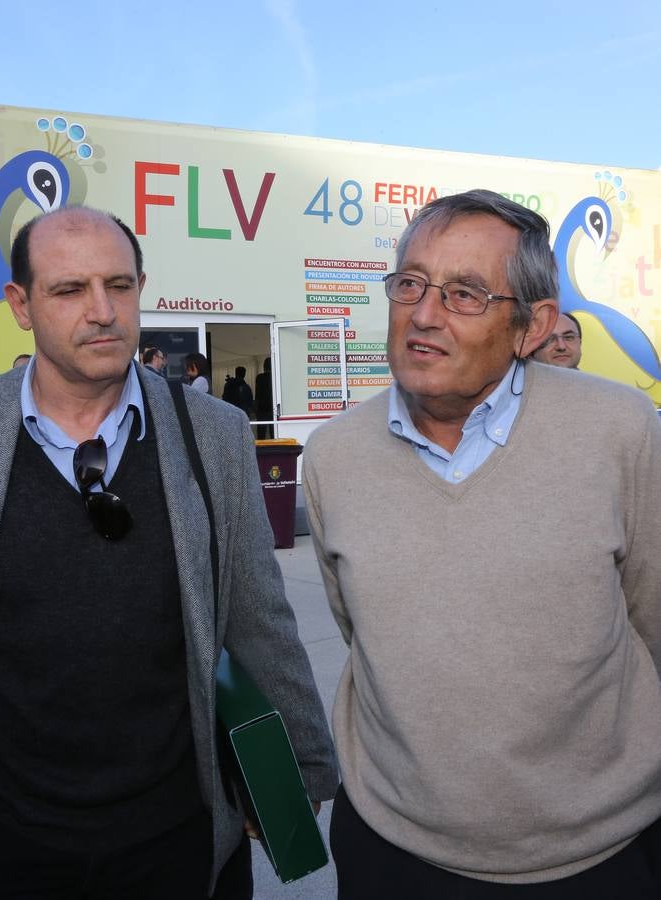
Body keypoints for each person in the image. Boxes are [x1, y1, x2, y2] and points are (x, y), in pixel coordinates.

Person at [0, 206, 338, 900]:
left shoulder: (213, 433)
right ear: (22, 305)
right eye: (69, 290)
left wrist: (302, 765)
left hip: (179, 844)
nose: (102, 311)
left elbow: (257, 616)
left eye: (119, 286)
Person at [303, 189, 661, 899]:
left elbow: (653, 618)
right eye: (410, 283)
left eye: (465, 293)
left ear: (534, 326)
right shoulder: (332, 457)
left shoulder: (621, 430)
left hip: (602, 859)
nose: (423, 314)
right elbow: (362, 632)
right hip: (392, 853)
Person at [255, 358, 273, 439]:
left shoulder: (259, 377)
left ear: (264, 367)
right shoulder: (274, 376)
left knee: (261, 433)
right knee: (274, 433)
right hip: (273, 407)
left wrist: (256, 408)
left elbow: (257, 394)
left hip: (261, 408)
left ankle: (260, 450)